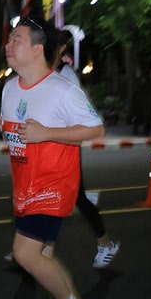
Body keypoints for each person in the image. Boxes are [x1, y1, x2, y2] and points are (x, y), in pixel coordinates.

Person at [0, 18, 106, 299]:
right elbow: (17, 132)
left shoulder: (63, 90)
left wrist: (48, 133)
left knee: (26, 254)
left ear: (38, 49)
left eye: (17, 40)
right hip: (25, 187)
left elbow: (96, 130)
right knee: (44, 255)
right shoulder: (10, 88)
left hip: (54, 185)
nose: (8, 46)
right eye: (8, 40)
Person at [52, 48, 121, 268]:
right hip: (45, 148)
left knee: (77, 197)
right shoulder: (38, 75)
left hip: (66, 145)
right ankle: (27, 248)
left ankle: (106, 243)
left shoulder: (66, 75)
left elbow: (85, 115)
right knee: (36, 196)